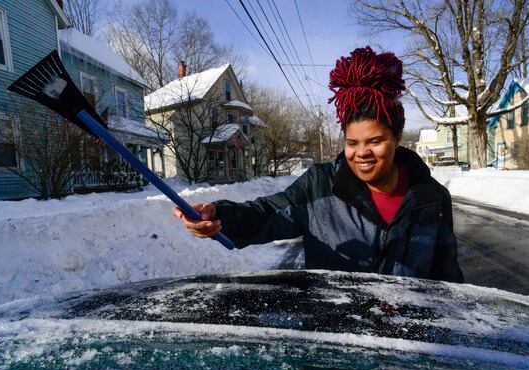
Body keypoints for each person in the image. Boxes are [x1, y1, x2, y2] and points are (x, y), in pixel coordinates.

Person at [172, 47, 464, 283]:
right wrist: (220, 214)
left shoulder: (431, 199)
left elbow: (448, 282)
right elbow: (266, 213)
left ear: (396, 138)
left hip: (407, 349)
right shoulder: (321, 185)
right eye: (352, 143)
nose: (361, 153)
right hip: (333, 345)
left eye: (375, 141)